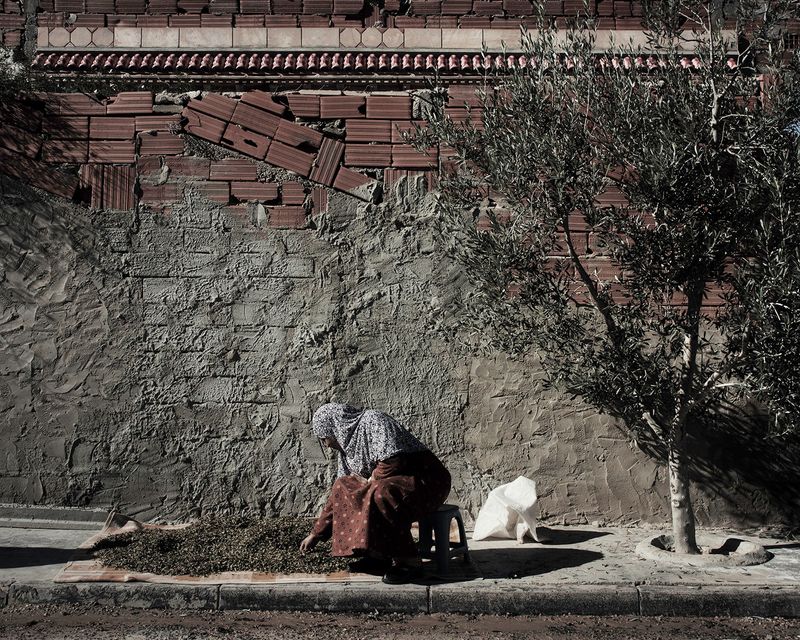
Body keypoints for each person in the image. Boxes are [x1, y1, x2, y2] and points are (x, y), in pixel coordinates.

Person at [299, 402, 451, 584]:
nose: (326, 444)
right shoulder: (347, 449)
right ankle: (378, 556)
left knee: (379, 492)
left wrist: (370, 480)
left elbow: (394, 461)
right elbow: (340, 494)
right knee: (344, 486)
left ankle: (409, 562)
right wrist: (316, 534)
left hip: (427, 482)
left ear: (335, 427)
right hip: (392, 486)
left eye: (325, 438)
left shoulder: (373, 420)